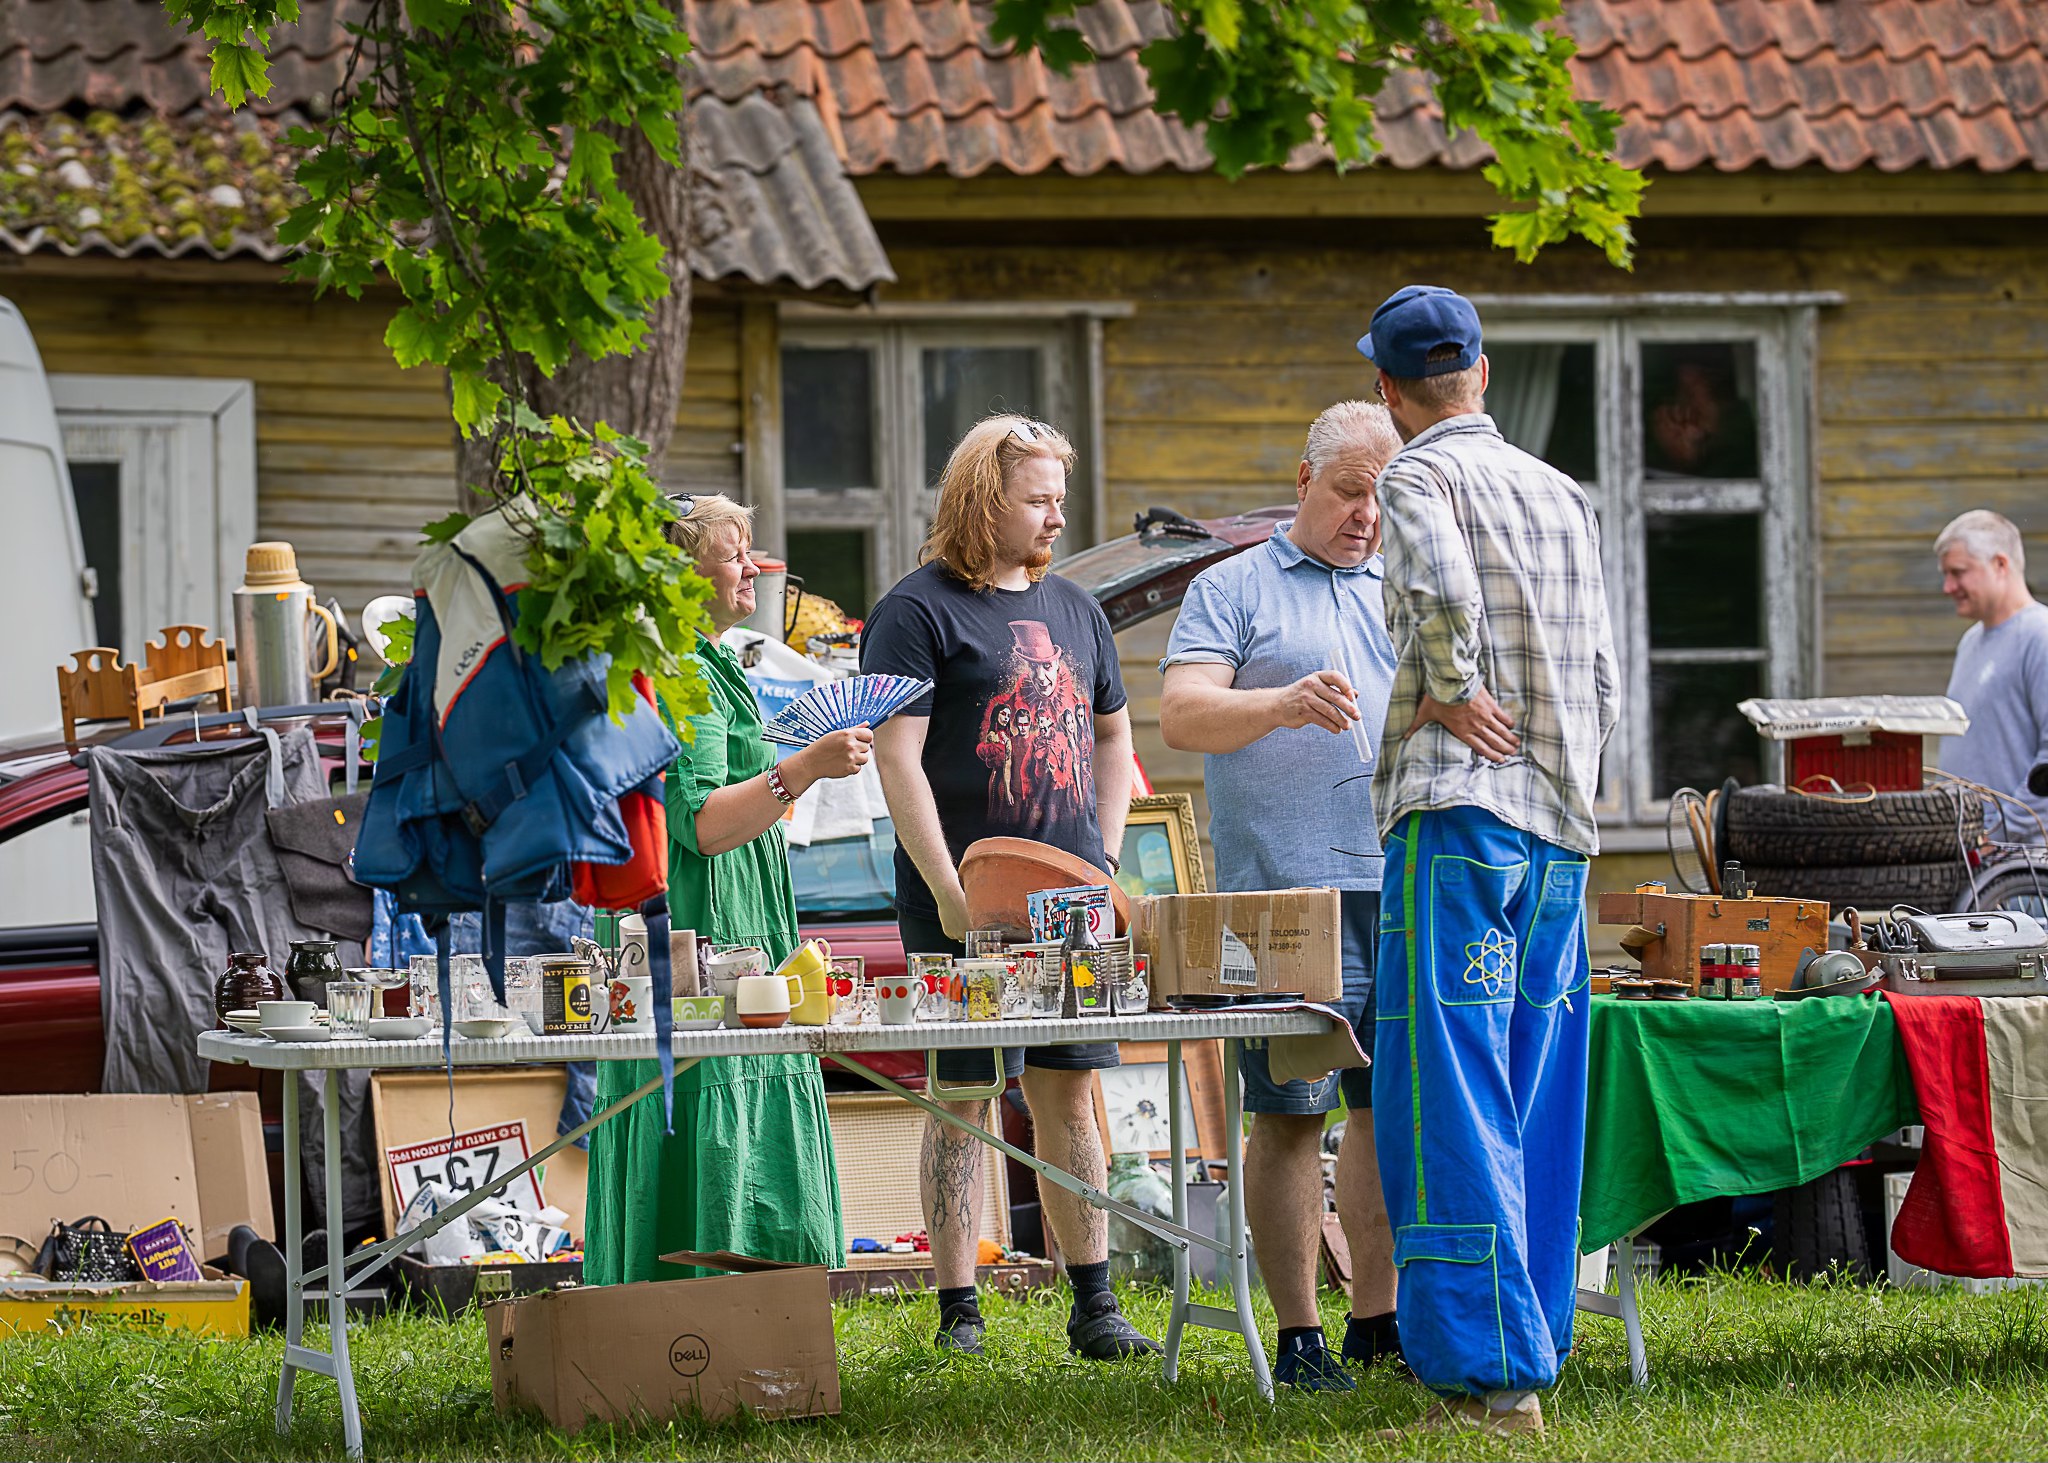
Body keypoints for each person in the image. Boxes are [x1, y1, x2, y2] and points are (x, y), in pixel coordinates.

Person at [1355, 286, 1620, 1438]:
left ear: (1387, 388)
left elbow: (1436, 591)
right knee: (1536, 1082)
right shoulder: (1562, 493)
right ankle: (1535, 1335)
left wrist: (1450, 691)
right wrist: (1572, 775)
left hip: (1457, 816)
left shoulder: (1415, 476)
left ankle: (1489, 1372)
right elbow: (1605, 678)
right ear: (1478, 372)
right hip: (1558, 825)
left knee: (1445, 1086)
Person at [862, 414, 1159, 1361]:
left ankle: (1096, 1304)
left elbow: (1115, 736)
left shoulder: (1078, 609)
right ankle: (959, 1311)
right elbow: (896, 757)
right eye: (1039, 499)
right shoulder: (916, 611)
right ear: (985, 499)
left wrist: (1101, 858)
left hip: (1068, 909)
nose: (1056, 518)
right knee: (962, 1093)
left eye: (1059, 499)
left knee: (1071, 1092)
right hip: (961, 904)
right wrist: (947, 891)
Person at [1157, 400, 1404, 1391]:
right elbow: (1179, 715)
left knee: (1387, 1106)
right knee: (1290, 1109)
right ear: (1303, 482)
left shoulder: (1409, 585)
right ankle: (1298, 1333)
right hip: (1277, 895)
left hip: (1399, 882)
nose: (1364, 515)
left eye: (1382, 498)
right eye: (1348, 492)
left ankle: (1375, 1319)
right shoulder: (1232, 586)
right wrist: (1283, 700)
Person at [584, 494, 871, 1281]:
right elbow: (703, 822)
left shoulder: (701, 658)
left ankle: (741, 1313)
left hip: (719, 915)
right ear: (681, 574)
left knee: (712, 1093)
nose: (754, 567)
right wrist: (806, 765)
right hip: (702, 926)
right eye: (734, 552)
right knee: (709, 1095)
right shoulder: (681, 670)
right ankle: (715, 1310)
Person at [1935, 509, 2048, 841]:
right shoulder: (1971, 641)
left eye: (1958, 573)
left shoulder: (2040, 636)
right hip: (1977, 859)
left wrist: (2000, 833)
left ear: (2000, 565)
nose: (1947, 587)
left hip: (2023, 871)